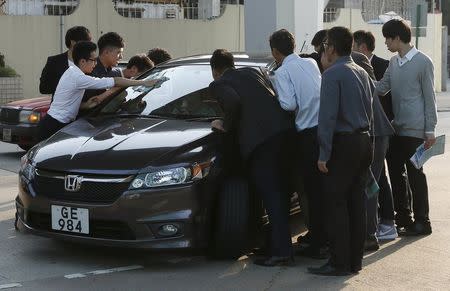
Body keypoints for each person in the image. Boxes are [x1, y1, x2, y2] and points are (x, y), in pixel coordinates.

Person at [208, 49, 294, 267]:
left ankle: (282, 252)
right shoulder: (253, 72)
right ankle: (273, 245)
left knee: (272, 196)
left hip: (262, 143)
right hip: (284, 134)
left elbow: (234, 103)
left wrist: (223, 124)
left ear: (215, 71)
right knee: (277, 194)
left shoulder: (219, 84)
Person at [308, 27, 373, 276]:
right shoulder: (361, 71)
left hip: (343, 144)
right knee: (356, 204)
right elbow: (370, 112)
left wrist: (323, 153)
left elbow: (327, 117)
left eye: (325, 44)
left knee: (335, 204)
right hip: (363, 142)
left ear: (331, 47)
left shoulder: (333, 73)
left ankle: (338, 262)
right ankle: (354, 262)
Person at [375, 19, 438, 236]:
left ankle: (423, 222)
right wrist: (362, 81)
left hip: (416, 130)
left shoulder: (423, 62)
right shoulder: (394, 62)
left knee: (415, 175)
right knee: (395, 173)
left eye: (387, 38)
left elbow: (430, 99)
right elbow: (382, 88)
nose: (386, 43)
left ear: (397, 38)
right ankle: (403, 217)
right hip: (396, 129)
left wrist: (430, 130)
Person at [269, 29, 327, 259]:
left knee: (311, 191)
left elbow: (289, 105)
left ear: (274, 51)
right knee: (321, 191)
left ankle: (318, 244)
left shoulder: (281, 73)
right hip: (323, 131)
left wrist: (275, 91)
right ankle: (321, 238)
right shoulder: (311, 63)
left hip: (306, 136)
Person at [37, 41, 159, 141]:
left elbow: (65, 102)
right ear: (83, 61)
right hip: (53, 126)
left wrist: (85, 105)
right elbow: (115, 81)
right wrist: (143, 82)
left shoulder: (72, 72)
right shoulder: (78, 77)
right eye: (93, 60)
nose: (95, 63)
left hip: (54, 123)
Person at [353, 30, 399, 243]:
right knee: (375, 180)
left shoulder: (367, 70)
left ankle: (377, 228)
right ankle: (374, 227)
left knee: (373, 182)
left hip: (377, 133)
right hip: (378, 133)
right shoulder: (365, 73)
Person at [39, 26, 92, 100]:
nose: (90, 44)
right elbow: (43, 88)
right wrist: (68, 83)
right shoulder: (54, 61)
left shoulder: (91, 61)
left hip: (87, 108)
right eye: (87, 41)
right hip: (61, 110)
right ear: (73, 42)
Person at [82, 32, 125, 103]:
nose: (121, 57)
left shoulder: (113, 72)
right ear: (106, 52)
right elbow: (91, 103)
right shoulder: (90, 71)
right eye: (118, 53)